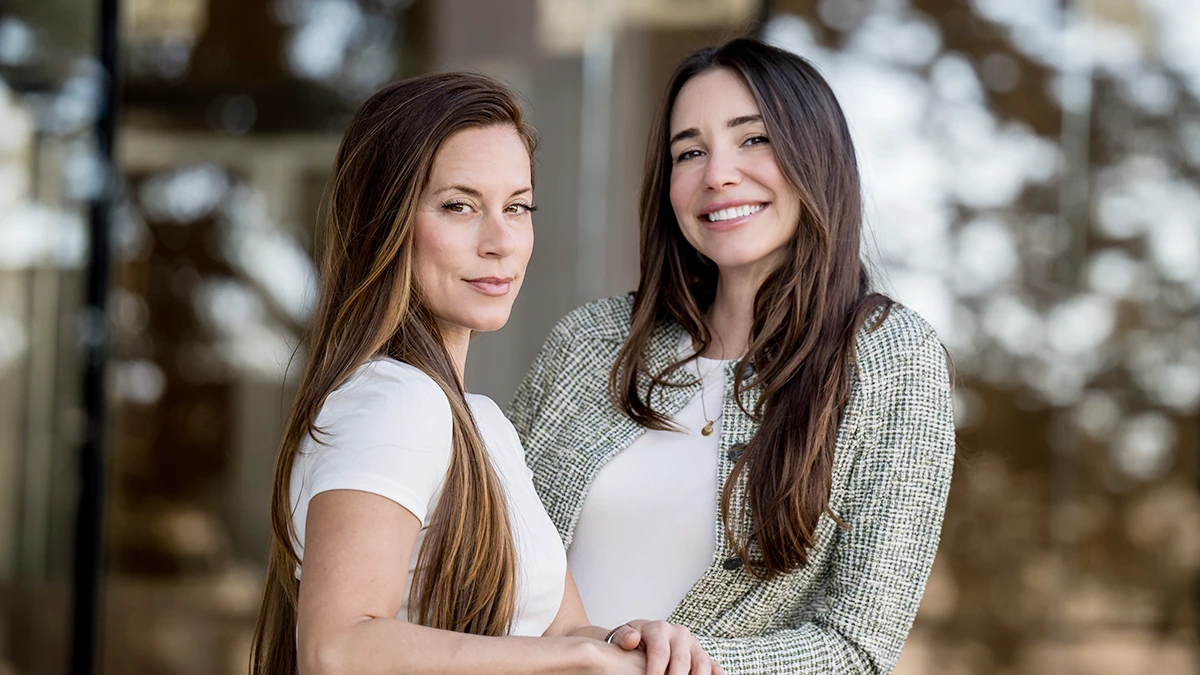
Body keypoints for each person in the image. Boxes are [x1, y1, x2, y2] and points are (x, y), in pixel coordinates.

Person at [250, 72, 721, 675]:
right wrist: (575, 656)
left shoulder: (484, 425)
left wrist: (637, 643)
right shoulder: (395, 401)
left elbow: (563, 630)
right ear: (385, 221)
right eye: (459, 206)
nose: (502, 241)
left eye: (517, 207)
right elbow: (336, 647)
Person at [510, 38, 956, 674]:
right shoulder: (592, 341)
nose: (717, 173)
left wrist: (680, 663)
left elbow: (857, 649)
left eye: (753, 139)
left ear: (817, 157)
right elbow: (486, 543)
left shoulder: (891, 358)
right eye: (689, 151)